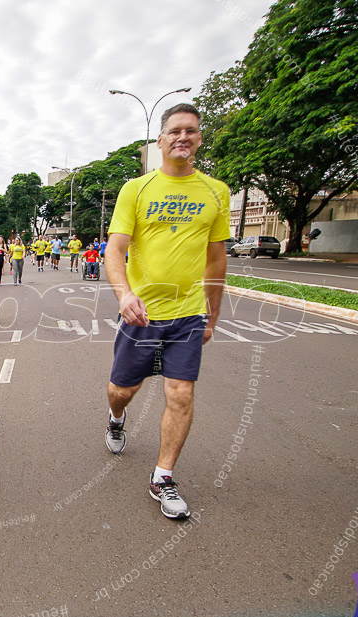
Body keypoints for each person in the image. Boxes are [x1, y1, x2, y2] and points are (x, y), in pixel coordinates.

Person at [103, 103, 230, 520]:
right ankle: (116, 417)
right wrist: (124, 294)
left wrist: (211, 316)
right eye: (175, 130)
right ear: (159, 140)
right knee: (123, 389)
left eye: (191, 131)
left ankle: (163, 477)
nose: (183, 137)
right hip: (141, 313)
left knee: (181, 393)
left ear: (198, 138)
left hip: (189, 314)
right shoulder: (136, 190)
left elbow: (216, 260)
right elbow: (116, 250)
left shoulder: (216, 192)